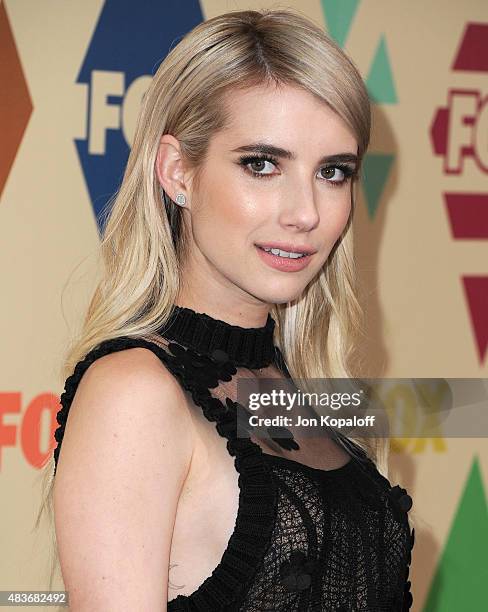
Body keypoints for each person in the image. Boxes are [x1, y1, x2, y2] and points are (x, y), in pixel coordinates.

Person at [37, 8, 415, 611]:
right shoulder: (133, 392)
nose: (307, 212)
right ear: (177, 171)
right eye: (262, 164)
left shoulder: (297, 384)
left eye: (334, 172)